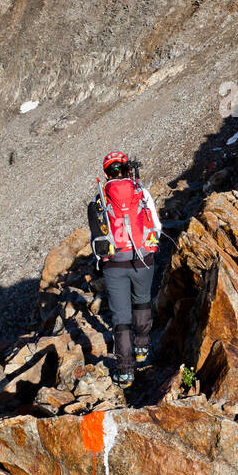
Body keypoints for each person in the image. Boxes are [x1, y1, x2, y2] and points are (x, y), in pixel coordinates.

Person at [89, 151, 162, 387]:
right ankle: (142, 347)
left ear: (107, 173)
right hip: (142, 259)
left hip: (114, 264)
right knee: (142, 301)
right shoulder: (141, 192)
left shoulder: (100, 198)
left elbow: (96, 237)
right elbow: (156, 226)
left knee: (121, 318)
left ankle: (125, 372)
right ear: (127, 169)